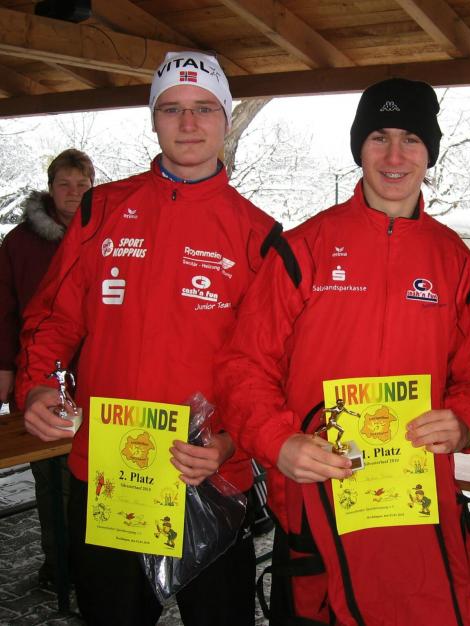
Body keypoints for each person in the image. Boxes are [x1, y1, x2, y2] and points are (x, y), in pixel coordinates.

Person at [216, 78, 470, 625]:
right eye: (379, 137)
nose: (394, 156)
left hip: (411, 505)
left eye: (411, 139)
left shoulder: (454, 261)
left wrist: (464, 423)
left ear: (430, 152)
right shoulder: (303, 248)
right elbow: (244, 364)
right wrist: (278, 441)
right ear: (359, 148)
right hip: (315, 500)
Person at [15, 51, 277, 626]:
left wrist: (231, 443)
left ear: (225, 118)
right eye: (172, 108)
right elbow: (55, 318)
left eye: (204, 108)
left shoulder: (258, 234)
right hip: (112, 473)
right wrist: (38, 386)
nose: (188, 123)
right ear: (153, 119)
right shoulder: (103, 210)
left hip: (208, 474)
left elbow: (268, 366)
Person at [0, 147, 94, 589]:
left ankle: (96, 569)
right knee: (51, 477)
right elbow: (4, 310)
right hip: (41, 375)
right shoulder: (20, 244)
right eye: (64, 184)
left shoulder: (108, 234)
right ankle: (59, 567)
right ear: (50, 188)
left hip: (96, 374)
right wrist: (5, 368)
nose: (73, 193)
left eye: (82, 185)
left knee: (92, 475)